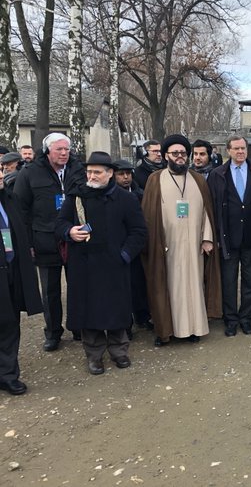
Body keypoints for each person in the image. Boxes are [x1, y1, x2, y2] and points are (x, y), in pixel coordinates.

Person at [56, 152, 147, 375]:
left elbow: (139, 232)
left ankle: (119, 351)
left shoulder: (126, 199)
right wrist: (69, 231)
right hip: (85, 266)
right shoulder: (76, 196)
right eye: (89, 172)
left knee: (117, 309)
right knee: (89, 312)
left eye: (97, 172)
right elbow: (59, 223)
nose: (92, 176)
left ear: (110, 174)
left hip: (115, 264)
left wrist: (124, 255)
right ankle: (94, 355)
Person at [142, 134, 222, 346]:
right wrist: (156, 242)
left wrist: (207, 239)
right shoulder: (155, 179)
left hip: (194, 246)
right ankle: (167, 330)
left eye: (183, 153)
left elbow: (207, 212)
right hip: (167, 246)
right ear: (166, 155)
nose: (180, 157)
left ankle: (194, 328)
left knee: (194, 286)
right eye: (175, 153)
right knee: (168, 287)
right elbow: (149, 215)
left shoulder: (197, 179)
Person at [13, 133, 85, 351]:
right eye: (59, 150)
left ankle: (78, 327)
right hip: (45, 239)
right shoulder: (29, 173)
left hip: (74, 236)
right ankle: (53, 332)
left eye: (67, 149)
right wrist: (28, 243)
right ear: (47, 151)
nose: (64, 153)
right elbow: (21, 209)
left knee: (78, 285)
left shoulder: (77, 169)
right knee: (50, 291)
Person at [207, 135, 251, 337]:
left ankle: (246, 318)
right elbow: (211, 207)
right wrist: (215, 235)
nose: (240, 152)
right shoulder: (217, 175)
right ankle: (231, 319)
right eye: (236, 149)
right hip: (228, 237)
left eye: (243, 148)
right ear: (229, 151)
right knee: (229, 280)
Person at [0, 168, 42, 395]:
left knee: (9, 323)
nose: (0, 176)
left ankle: (8, 375)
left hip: (11, 270)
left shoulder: (9, 198)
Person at [113, 159, 153, 333]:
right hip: (118, 245)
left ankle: (142, 316)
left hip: (138, 244)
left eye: (128, 173)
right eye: (121, 174)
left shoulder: (140, 194)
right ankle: (125, 323)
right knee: (121, 287)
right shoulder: (110, 197)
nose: (125, 177)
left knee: (139, 283)